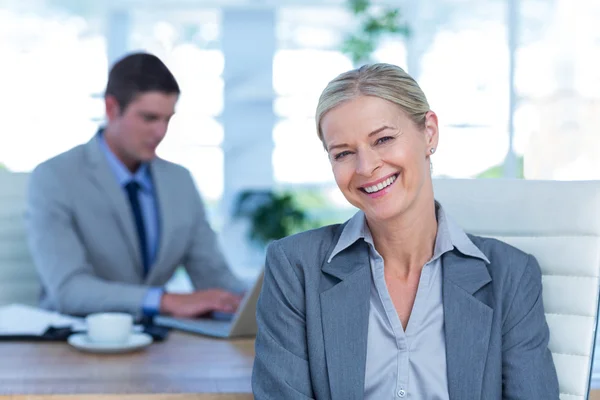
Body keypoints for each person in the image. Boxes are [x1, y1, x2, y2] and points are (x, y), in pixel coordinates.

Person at [251, 63, 559, 399]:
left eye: (383, 139)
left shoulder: (510, 276)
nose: (366, 167)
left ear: (429, 133)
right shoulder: (295, 268)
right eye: (343, 153)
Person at [26, 52, 244, 318]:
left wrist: (263, 301)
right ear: (111, 109)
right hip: (76, 345)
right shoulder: (55, 177)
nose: (160, 132)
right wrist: (164, 301)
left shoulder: (179, 182)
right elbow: (68, 290)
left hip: (159, 345)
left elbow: (215, 279)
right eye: (149, 118)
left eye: (168, 119)